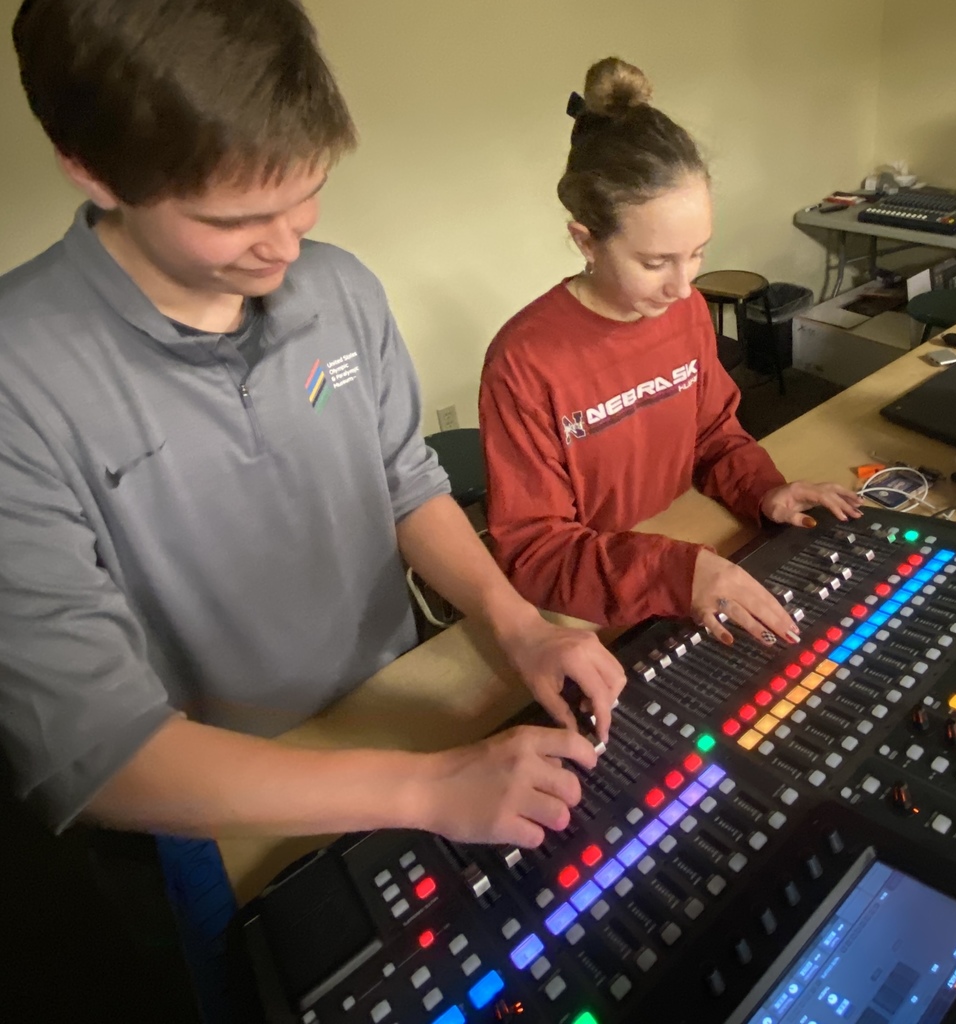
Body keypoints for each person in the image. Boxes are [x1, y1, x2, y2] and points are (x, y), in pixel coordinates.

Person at [2, 0, 628, 861]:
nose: (285, 249)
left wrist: (515, 625)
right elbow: (97, 751)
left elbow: (405, 483)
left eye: (306, 196)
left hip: (404, 711)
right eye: (231, 220)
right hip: (213, 802)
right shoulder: (20, 379)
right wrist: (425, 789)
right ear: (92, 171)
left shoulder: (341, 292)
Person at [480, 57, 862, 648]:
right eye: (655, 262)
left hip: (683, 553)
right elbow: (535, 551)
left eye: (697, 254)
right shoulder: (525, 360)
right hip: (592, 610)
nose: (683, 288)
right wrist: (673, 571)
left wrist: (763, 490)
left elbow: (712, 435)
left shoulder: (680, 309)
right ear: (585, 239)